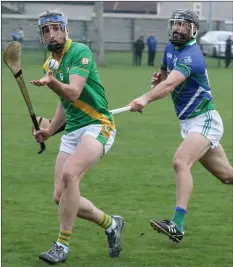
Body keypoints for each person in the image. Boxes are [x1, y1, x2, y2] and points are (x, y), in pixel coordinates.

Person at [128, 9, 233, 243]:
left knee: (180, 162)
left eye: (183, 25)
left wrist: (145, 98)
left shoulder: (192, 55)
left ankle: (177, 225)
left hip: (205, 119)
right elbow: (167, 78)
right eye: (174, 24)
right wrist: (160, 79)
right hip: (189, 123)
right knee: (227, 176)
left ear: (193, 30)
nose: (177, 28)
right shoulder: (169, 49)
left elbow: (171, 84)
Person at [30, 10, 125, 264]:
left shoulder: (80, 52)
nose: (52, 34)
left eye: (56, 28)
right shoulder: (49, 63)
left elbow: (73, 92)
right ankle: (111, 223)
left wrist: (52, 83)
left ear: (66, 30)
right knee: (60, 196)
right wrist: (49, 130)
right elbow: (65, 104)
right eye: (46, 31)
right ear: (42, 37)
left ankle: (62, 245)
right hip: (73, 129)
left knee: (70, 174)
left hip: (99, 125)